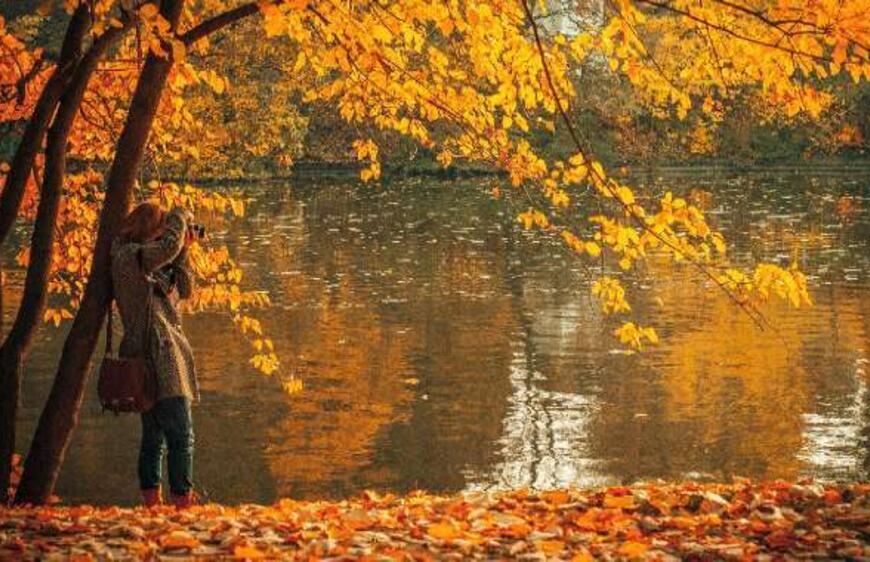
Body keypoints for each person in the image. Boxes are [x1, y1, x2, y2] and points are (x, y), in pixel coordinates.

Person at [110, 202, 199, 508]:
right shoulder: (128, 257)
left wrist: (184, 252)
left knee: (156, 437)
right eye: (163, 229)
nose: (168, 237)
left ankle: (156, 505)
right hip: (154, 356)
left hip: (162, 354)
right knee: (181, 435)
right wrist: (179, 216)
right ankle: (181, 504)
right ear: (150, 228)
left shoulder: (150, 263)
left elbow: (186, 290)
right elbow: (168, 246)